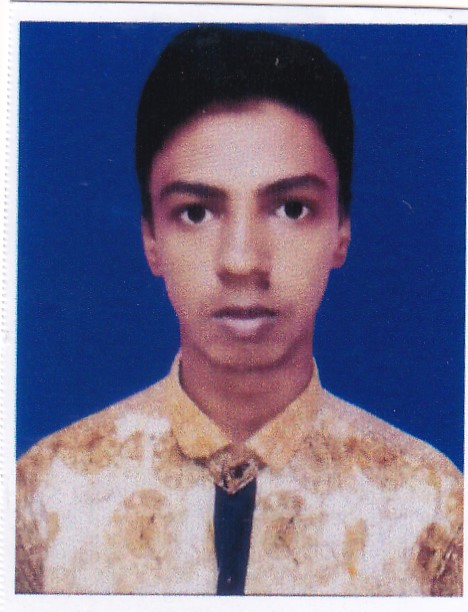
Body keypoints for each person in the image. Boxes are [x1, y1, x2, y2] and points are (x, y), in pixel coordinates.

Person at [16, 25, 463, 596]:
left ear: (342, 230)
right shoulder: (42, 502)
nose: (242, 262)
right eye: (196, 213)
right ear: (151, 238)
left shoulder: (434, 514)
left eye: (292, 208)